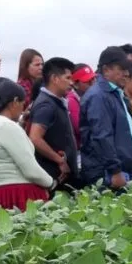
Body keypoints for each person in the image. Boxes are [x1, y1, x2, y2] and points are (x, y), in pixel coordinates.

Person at [0, 79, 56, 209]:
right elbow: (31, 171)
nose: (23, 108)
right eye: (22, 103)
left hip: (0, 192)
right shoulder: (6, 126)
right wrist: (51, 183)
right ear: (14, 102)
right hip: (18, 195)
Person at [80, 46, 132, 190]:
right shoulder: (98, 96)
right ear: (106, 69)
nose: (126, 73)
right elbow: (102, 136)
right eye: (121, 69)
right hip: (109, 173)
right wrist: (115, 171)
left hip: (125, 168)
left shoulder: (115, 93)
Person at [29, 57, 79, 189]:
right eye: (68, 78)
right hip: (55, 175)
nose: (72, 82)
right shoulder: (46, 105)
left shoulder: (57, 101)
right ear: (55, 79)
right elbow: (35, 138)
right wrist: (59, 160)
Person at [66, 64, 96, 147]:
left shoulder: (92, 97)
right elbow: (80, 129)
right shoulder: (71, 101)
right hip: (82, 150)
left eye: (93, 79)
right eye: (88, 82)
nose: (93, 83)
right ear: (75, 84)